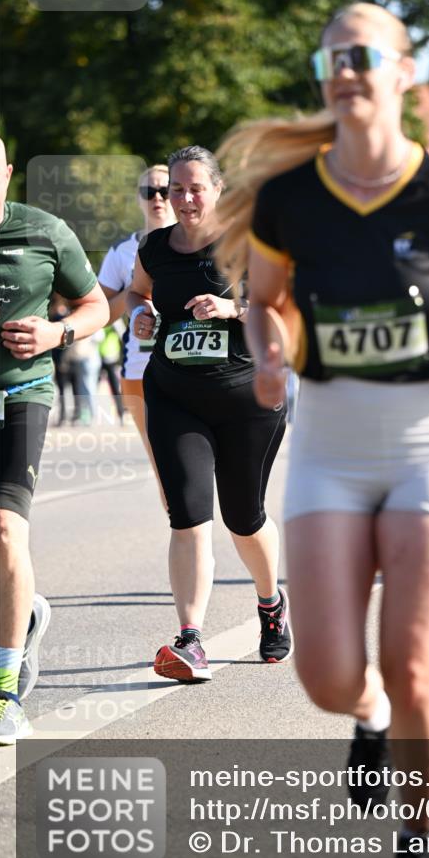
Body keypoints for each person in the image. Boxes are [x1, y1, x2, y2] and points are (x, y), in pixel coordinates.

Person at [216, 3, 429, 858]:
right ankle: (368, 717)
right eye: (330, 59)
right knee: (328, 676)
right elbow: (262, 302)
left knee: (414, 661)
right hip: (329, 446)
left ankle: (418, 844)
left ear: (400, 70)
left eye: (361, 54)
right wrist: (269, 357)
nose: (344, 69)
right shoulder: (289, 198)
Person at [126, 145, 290, 683]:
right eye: (176, 189)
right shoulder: (154, 248)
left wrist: (234, 308)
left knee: (244, 517)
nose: (185, 198)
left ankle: (270, 604)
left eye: (196, 187)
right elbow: (135, 294)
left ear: (219, 190)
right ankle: (191, 639)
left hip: (249, 399)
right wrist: (142, 318)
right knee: (188, 516)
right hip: (176, 397)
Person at [0, 135, 109, 744]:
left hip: (22, 396)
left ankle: (3, 692)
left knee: (7, 528)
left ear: (7, 174)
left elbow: (97, 306)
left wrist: (54, 334)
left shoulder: (44, 231)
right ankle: (27, 611)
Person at [98, 165, 176, 502]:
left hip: (192, 366)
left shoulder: (198, 245)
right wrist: (134, 289)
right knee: (165, 468)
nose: (157, 198)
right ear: (138, 199)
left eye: (164, 190)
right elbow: (98, 313)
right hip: (139, 371)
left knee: (200, 460)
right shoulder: (121, 252)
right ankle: (187, 543)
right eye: (149, 192)